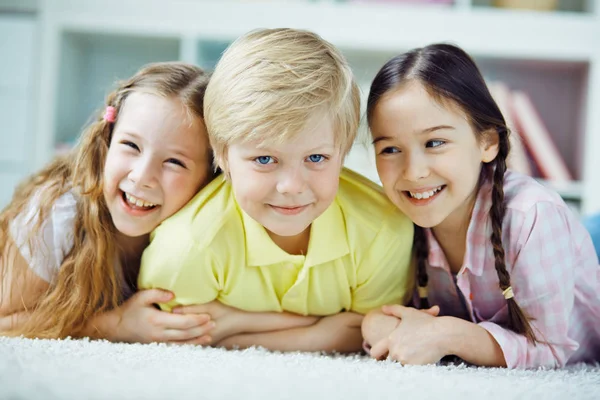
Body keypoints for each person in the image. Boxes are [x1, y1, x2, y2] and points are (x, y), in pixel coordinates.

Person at [139, 28, 415, 353]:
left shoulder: (383, 228)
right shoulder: (186, 249)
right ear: (223, 155)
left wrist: (233, 325)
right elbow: (180, 338)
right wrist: (323, 328)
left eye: (316, 157)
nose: (292, 187)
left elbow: (369, 330)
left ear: (342, 153)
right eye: (265, 159)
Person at [0, 61, 301, 344]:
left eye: (174, 162)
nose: (142, 176)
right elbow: (6, 322)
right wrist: (113, 325)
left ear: (211, 178)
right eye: (130, 145)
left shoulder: (214, 230)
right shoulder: (60, 213)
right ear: (107, 140)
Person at [361, 43, 600, 368]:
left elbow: (553, 349)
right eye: (390, 149)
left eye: (435, 143)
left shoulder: (532, 216)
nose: (413, 172)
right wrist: (378, 324)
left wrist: (448, 333)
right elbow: (390, 320)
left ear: (487, 142)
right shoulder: (393, 220)